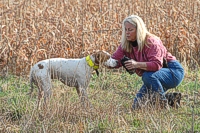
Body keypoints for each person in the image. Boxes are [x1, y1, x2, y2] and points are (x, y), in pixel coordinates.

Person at [108, 15, 185, 109]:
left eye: (130, 30)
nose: (127, 33)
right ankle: (172, 99)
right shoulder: (125, 44)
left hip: (172, 71)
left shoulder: (151, 41)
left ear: (139, 29)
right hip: (154, 77)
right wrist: (98, 61)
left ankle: (162, 104)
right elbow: (114, 61)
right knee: (137, 106)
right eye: (125, 29)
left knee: (147, 76)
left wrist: (136, 64)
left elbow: (157, 65)